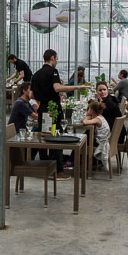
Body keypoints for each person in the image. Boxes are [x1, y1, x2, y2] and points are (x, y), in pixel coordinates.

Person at [30, 49, 87, 178]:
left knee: (44, 137)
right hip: (53, 109)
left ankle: (45, 168)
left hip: (43, 109)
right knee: (57, 138)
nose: (57, 61)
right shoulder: (53, 71)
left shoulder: (36, 74)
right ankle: (59, 170)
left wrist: (42, 101)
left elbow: (31, 94)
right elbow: (57, 88)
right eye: (56, 59)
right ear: (52, 58)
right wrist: (77, 87)